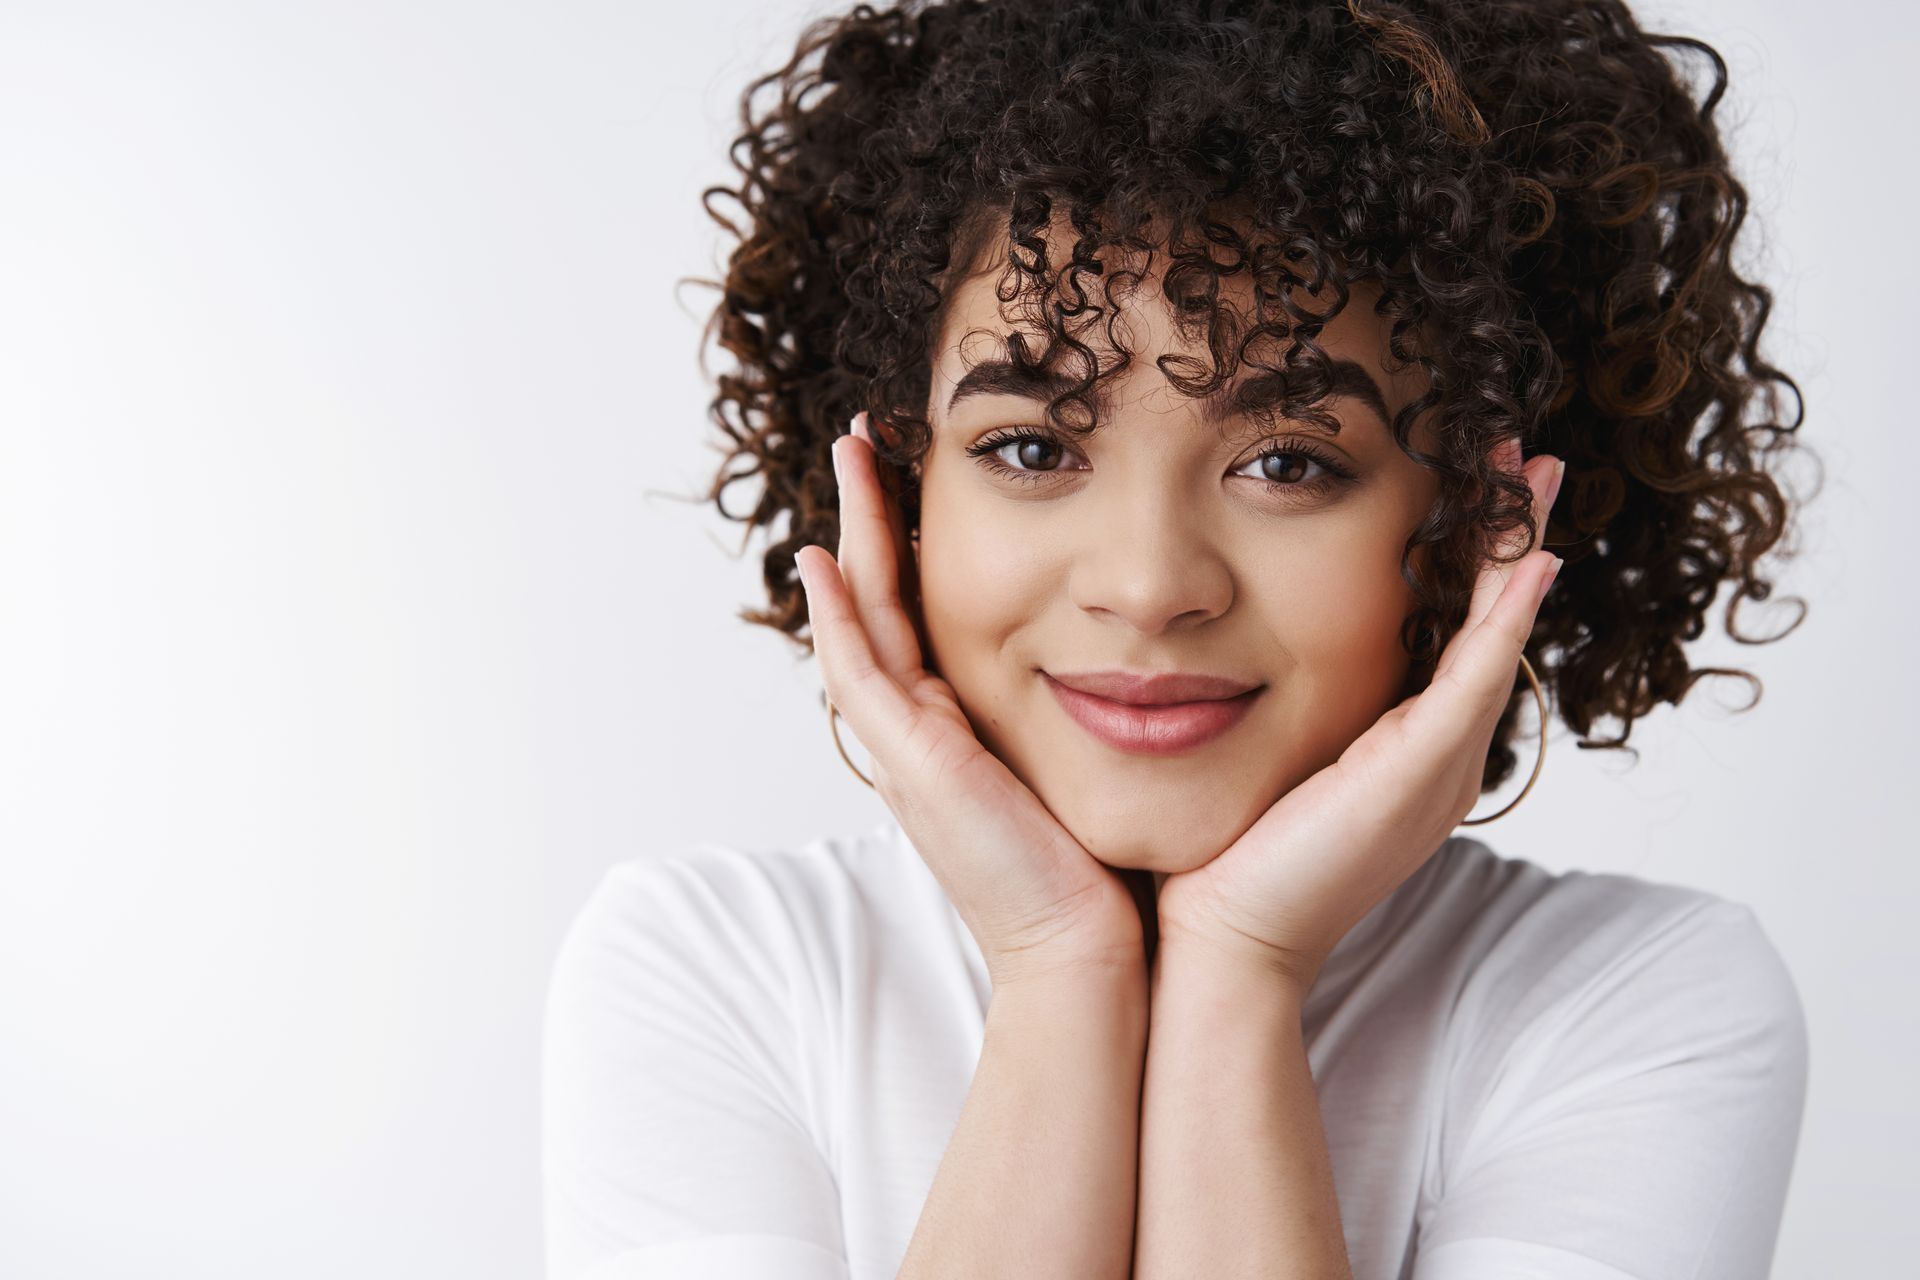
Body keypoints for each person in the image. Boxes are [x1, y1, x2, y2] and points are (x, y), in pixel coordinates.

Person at [542, 1, 1813, 1276]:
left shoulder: (1640, 1001)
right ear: (903, 489)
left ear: (1475, 518)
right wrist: (1058, 973)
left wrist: (1242, 977)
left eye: (1287, 461)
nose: (1150, 585)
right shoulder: (709, 970)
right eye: (1032, 447)